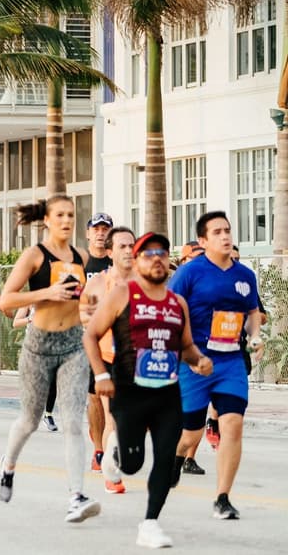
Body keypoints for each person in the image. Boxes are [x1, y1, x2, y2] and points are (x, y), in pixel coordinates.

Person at [83, 231, 213, 549]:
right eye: (149, 253)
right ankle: (114, 452)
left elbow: (185, 345)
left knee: (166, 458)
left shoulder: (177, 303)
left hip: (167, 393)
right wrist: (101, 375)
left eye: (162, 254)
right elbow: (91, 335)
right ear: (138, 261)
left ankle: (150, 522)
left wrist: (199, 360)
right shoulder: (122, 294)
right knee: (132, 464)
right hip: (130, 392)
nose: (157, 259)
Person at [0, 195, 100, 523]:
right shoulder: (35, 255)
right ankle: (8, 466)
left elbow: (84, 300)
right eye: (60, 215)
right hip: (38, 345)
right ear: (47, 220)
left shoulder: (82, 257)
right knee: (29, 420)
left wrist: (89, 306)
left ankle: (76, 496)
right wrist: (47, 293)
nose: (66, 220)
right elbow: (6, 301)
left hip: (72, 346)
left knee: (73, 421)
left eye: (71, 214)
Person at [167, 211, 262, 520]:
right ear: (203, 240)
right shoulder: (189, 273)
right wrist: (186, 356)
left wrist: (255, 336)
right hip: (195, 363)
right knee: (190, 435)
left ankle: (223, 498)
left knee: (232, 424)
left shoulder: (245, 275)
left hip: (230, 362)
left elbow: (252, 313)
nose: (225, 236)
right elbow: (170, 314)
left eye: (227, 230)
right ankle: (177, 457)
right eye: (217, 232)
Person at [80, 225, 136, 495]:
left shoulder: (146, 281)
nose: (128, 250)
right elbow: (85, 320)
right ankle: (111, 473)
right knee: (113, 416)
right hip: (108, 358)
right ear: (110, 252)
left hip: (140, 359)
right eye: (122, 246)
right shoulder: (98, 284)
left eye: (132, 245)